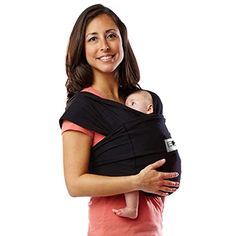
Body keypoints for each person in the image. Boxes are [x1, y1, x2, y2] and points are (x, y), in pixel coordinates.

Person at [60, 4, 180, 236]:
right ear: (81, 49)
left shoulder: (139, 100)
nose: (104, 46)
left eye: (111, 35)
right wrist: (137, 182)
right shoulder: (84, 108)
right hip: (112, 229)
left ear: (123, 41)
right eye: (93, 39)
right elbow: (74, 184)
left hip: (152, 226)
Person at [112, 89, 154, 219]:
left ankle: (131, 208)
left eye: (132, 103)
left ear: (149, 109)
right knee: (130, 175)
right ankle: (132, 208)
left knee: (128, 171)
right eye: (126, 105)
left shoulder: (149, 124)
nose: (127, 108)